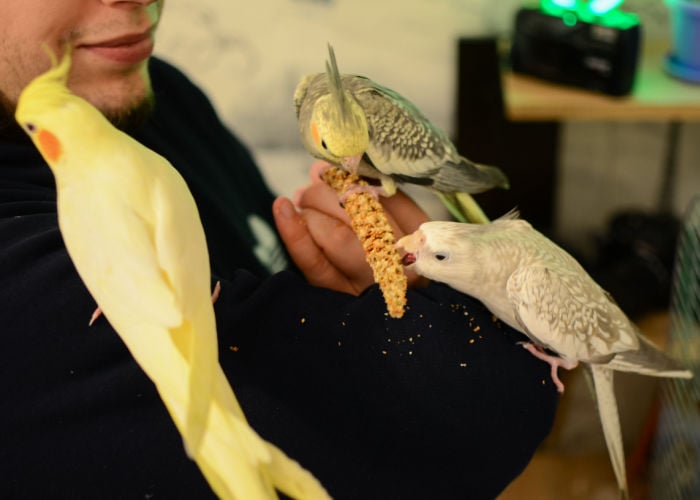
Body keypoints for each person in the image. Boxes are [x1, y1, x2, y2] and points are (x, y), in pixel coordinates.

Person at [0, 1, 558, 498]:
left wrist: (362, 285)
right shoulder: (24, 284)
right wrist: (437, 294)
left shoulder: (150, 92)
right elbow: (477, 412)